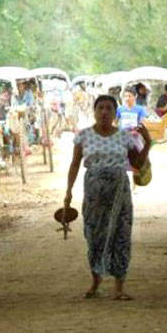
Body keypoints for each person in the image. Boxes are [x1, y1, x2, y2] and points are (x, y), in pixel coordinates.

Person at [65, 95, 151, 300]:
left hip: (119, 194)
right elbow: (75, 164)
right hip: (94, 194)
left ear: (115, 113)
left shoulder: (124, 136)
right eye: (100, 108)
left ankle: (119, 287)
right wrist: (68, 191)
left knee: (121, 236)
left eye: (109, 109)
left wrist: (147, 143)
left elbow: (137, 164)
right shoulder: (83, 136)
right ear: (94, 112)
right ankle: (95, 281)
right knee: (94, 235)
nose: (104, 112)